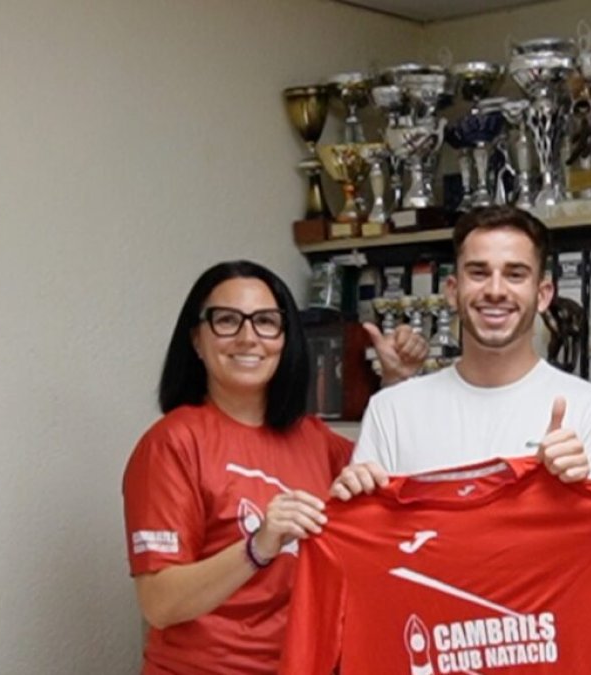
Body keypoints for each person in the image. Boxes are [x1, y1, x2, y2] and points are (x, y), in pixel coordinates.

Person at [121, 260, 425, 674]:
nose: (248, 338)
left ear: (286, 339)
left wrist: (396, 385)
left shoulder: (315, 439)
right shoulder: (172, 444)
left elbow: (402, 492)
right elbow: (160, 604)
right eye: (227, 321)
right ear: (196, 339)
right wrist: (258, 545)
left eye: (266, 322)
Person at [331, 205, 591, 500]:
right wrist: (346, 501)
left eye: (515, 274)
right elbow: (371, 540)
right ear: (452, 291)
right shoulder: (391, 412)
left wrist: (567, 494)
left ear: (543, 295)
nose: (495, 290)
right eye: (478, 273)